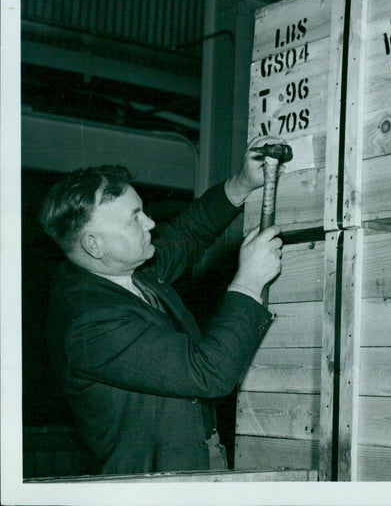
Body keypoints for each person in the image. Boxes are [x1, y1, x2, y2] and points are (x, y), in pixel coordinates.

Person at [39, 137, 283, 475]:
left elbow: (188, 231)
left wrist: (241, 183)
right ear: (94, 244)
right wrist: (248, 282)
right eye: (134, 218)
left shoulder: (130, 271)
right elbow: (208, 372)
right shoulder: (89, 324)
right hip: (158, 482)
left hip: (199, 459)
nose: (150, 224)